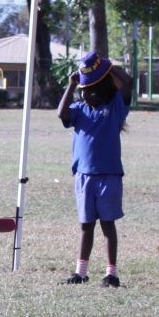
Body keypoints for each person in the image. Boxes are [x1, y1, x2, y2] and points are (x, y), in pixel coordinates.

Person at [58, 52, 133, 288]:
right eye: (82, 91)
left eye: (88, 90)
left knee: (108, 225)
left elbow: (128, 82)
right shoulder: (79, 110)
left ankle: (112, 273)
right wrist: (71, 85)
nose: (84, 94)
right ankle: (80, 272)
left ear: (100, 91)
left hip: (109, 175)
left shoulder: (115, 108)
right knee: (85, 225)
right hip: (83, 175)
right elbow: (61, 114)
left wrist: (108, 67)